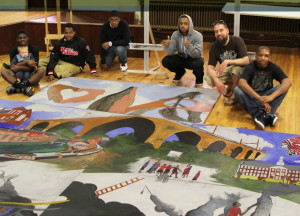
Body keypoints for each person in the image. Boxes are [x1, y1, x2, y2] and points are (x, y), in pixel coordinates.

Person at [234, 46, 292, 130]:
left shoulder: (273, 67)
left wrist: (270, 97)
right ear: (256, 56)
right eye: (260, 55)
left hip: (267, 97)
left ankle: (260, 115)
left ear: (270, 58)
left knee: (283, 88)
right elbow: (242, 82)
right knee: (237, 90)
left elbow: (287, 82)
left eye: (266, 56)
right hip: (252, 97)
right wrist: (260, 99)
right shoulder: (250, 67)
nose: (263, 58)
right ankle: (266, 115)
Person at [205, 20, 249, 105]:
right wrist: (216, 80)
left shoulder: (237, 40)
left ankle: (235, 95)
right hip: (228, 71)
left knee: (235, 69)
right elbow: (209, 68)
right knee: (209, 79)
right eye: (216, 31)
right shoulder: (214, 47)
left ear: (227, 31)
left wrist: (227, 61)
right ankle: (231, 86)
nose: (219, 33)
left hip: (241, 71)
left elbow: (246, 60)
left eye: (221, 30)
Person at [162, 14, 204, 86]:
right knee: (166, 60)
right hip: (181, 57)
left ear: (190, 25)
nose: (182, 25)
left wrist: (189, 46)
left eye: (185, 23)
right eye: (181, 23)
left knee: (199, 62)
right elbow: (170, 53)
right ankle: (180, 72)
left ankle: (199, 78)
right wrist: (167, 46)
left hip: (192, 59)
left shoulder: (198, 35)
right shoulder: (175, 34)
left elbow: (197, 55)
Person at [1, 30, 45, 96]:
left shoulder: (34, 49)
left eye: (24, 37)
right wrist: (27, 62)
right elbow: (13, 67)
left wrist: (19, 67)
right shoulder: (13, 50)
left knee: (42, 70)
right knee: (3, 72)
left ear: (28, 38)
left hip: (30, 74)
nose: (22, 39)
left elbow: (34, 67)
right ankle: (24, 88)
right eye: (20, 38)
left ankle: (19, 86)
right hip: (17, 74)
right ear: (16, 39)